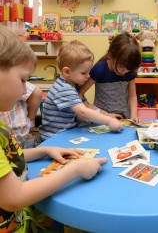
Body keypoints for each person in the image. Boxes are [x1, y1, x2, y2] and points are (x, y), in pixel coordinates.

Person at [0, 25, 108, 232]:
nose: (25, 89)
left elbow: (10, 155)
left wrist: (44, 150)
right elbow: (13, 198)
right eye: (22, 79)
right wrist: (76, 168)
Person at [39, 40, 123, 140]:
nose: (88, 76)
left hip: (67, 133)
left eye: (89, 72)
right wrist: (109, 121)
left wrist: (107, 115)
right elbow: (83, 111)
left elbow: (87, 105)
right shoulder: (64, 89)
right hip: (53, 138)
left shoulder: (74, 85)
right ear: (67, 72)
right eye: (84, 73)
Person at [79, 31, 142, 122]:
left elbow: (132, 96)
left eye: (129, 69)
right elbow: (79, 95)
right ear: (110, 55)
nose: (125, 72)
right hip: (102, 119)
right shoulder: (99, 70)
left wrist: (134, 116)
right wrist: (102, 114)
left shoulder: (129, 71)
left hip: (124, 118)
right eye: (122, 67)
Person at [0, 81, 42, 148]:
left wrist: (31, 119)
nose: (24, 91)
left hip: (23, 139)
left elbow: (36, 92)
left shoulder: (13, 79)